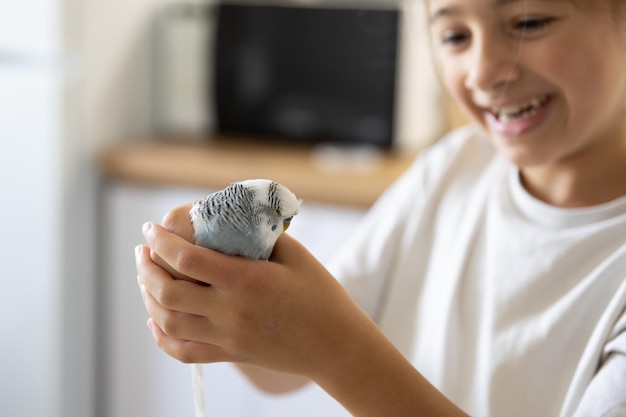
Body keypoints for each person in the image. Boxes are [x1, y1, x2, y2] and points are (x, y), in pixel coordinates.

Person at [135, 0, 626, 415]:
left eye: (528, 23)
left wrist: (334, 349)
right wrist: (226, 300)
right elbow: (279, 371)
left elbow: (322, 341)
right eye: (455, 36)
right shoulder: (450, 172)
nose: (483, 71)